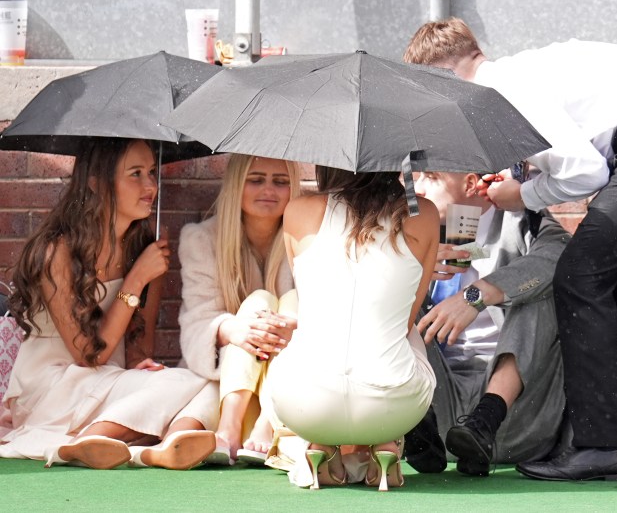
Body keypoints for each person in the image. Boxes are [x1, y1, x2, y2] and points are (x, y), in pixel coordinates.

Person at [403, 19, 617, 482]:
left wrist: (520, 196)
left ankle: (600, 447)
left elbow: (585, 173)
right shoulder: (517, 74)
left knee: (580, 277)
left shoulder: (501, 94)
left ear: (444, 78)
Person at [0, 138, 218, 470]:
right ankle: (94, 437)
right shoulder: (56, 251)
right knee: (187, 385)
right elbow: (89, 355)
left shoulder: (143, 252)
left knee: (210, 385)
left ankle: (164, 445)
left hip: (108, 381)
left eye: (152, 172)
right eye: (135, 174)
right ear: (98, 182)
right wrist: (135, 280)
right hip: (54, 387)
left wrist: (140, 365)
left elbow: (137, 349)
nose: (150, 185)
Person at [264, 166, 439, 490]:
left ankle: (323, 447)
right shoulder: (424, 214)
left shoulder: (298, 210)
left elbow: (314, 302)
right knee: (407, 332)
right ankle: (385, 443)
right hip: (394, 406)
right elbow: (405, 321)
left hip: (305, 404)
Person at [399, 168, 568, 478]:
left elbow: (561, 256)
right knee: (391, 296)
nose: (415, 186)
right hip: (436, 412)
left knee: (537, 290)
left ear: (471, 183)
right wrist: (408, 269)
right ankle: (412, 426)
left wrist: (474, 296)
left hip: (512, 419)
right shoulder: (408, 233)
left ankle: (485, 418)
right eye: (413, 175)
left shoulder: (525, 223)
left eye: (430, 176)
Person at [177, 155, 301, 464]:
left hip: (288, 381)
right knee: (259, 302)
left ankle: (264, 424)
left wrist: (287, 328)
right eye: (256, 180)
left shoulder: (305, 240)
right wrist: (235, 329)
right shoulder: (202, 239)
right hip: (227, 382)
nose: (268, 190)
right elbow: (197, 320)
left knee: (292, 304)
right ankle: (230, 427)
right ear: (236, 185)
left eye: (281, 182)